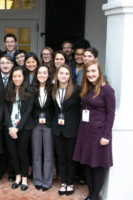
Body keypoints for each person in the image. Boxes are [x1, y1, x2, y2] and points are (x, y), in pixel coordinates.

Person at [73, 61, 115, 200]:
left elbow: (111, 114)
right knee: (87, 164)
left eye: (93, 71)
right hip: (85, 132)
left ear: (99, 72)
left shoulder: (107, 90)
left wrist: (106, 135)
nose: (90, 74)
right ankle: (91, 194)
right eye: (88, 72)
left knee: (97, 165)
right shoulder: (87, 88)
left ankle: (95, 196)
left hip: (99, 134)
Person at [51, 64, 81, 196]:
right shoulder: (53, 89)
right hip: (57, 129)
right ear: (57, 75)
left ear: (70, 76)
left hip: (72, 129)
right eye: (61, 73)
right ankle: (63, 181)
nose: (63, 76)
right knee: (61, 157)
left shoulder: (76, 90)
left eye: (66, 74)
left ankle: (70, 182)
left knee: (71, 158)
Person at [4, 66, 34, 191]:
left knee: (23, 153)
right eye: (14, 76)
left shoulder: (30, 91)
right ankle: (17, 176)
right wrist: (10, 127)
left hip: (24, 128)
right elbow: (5, 110)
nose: (17, 79)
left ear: (24, 77)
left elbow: (28, 112)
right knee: (12, 153)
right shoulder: (7, 90)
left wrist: (18, 128)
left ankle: (25, 178)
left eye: (19, 76)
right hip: (9, 127)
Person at [31, 65, 54, 191]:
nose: (42, 75)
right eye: (39, 73)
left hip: (48, 125)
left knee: (48, 154)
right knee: (36, 153)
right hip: (35, 124)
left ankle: (47, 181)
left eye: (44, 72)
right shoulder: (31, 89)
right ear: (36, 75)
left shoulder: (53, 89)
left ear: (48, 75)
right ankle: (37, 180)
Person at [0, 55, 15, 181]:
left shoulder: (17, 77)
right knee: (0, 146)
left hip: (13, 118)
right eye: (2, 63)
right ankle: (0, 171)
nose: (5, 65)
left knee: (11, 147)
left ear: (12, 64)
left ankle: (12, 172)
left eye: (8, 63)